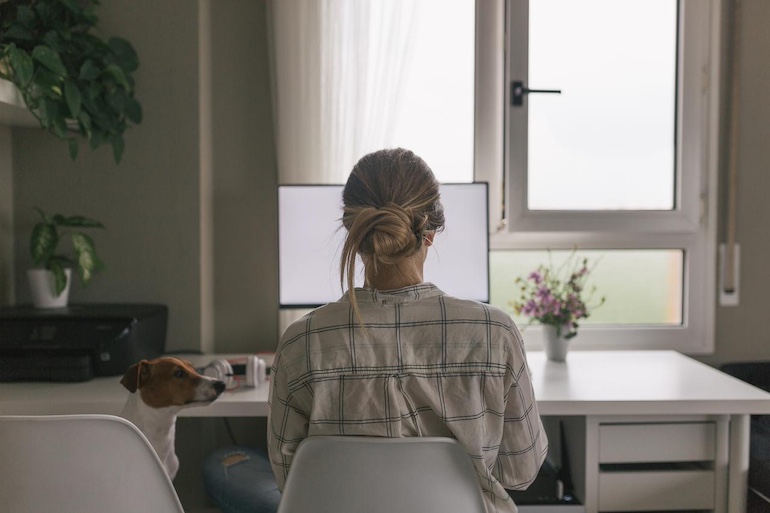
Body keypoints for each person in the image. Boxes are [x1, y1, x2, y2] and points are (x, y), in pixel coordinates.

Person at [268, 148, 548, 512]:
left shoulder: (300, 343)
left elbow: (291, 481)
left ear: (353, 230)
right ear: (429, 233)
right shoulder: (496, 334)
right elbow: (519, 471)